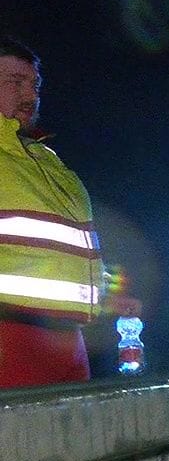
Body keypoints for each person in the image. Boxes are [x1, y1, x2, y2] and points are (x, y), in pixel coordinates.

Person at [0, 38, 120, 389]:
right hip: (9, 334)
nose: (30, 95)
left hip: (70, 338)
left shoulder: (49, 162)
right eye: (14, 82)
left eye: (34, 85)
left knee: (77, 439)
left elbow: (57, 252)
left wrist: (107, 297)